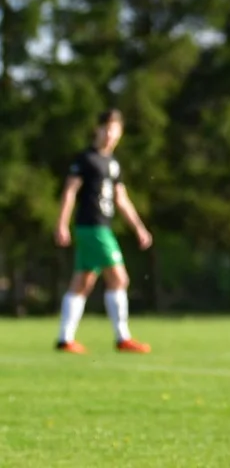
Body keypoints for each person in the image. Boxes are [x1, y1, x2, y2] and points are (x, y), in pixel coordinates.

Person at [54, 109, 153, 354]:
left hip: (100, 227)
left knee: (83, 282)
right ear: (97, 129)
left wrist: (139, 228)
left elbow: (121, 199)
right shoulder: (86, 159)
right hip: (93, 226)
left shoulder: (113, 163)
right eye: (106, 128)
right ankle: (123, 338)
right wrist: (61, 223)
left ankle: (65, 339)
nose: (110, 134)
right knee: (120, 279)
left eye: (115, 130)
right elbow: (70, 191)